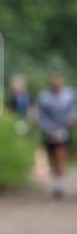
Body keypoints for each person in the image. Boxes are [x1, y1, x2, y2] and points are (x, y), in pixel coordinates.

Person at [33, 71, 76, 199]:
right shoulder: (43, 96)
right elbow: (40, 115)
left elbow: (74, 109)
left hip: (64, 130)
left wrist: (72, 117)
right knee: (52, 157)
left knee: (60, 155)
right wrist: (48, 128)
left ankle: (59, 185)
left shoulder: (69, 94)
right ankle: (56, 177)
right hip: (49, 131)